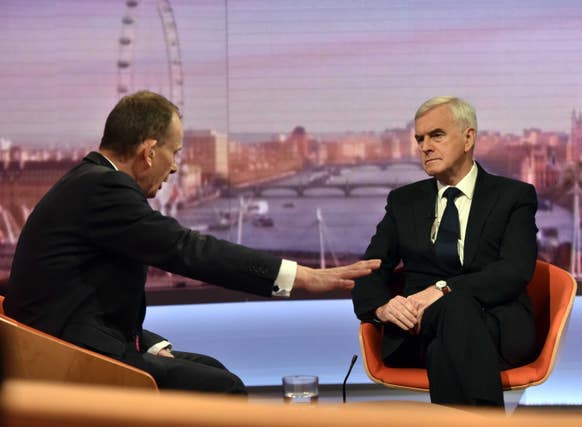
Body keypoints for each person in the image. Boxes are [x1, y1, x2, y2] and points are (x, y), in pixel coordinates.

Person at [4, 91, 380, 395]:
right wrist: (304, 278)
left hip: (71, 341)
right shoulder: (104, 187)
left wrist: (147, 342)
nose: (173, 167)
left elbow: (83, 294)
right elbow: (186, 249)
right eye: (174, 153)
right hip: (67, 359)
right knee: (223, 388)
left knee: (211, 371)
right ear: (149, 151)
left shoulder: (89, 182)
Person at [352, 96, 538, 408]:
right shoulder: (403, 202)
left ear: (468, 138)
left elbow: (515, 270)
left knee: (449, 329)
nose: (424, 146)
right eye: (419, 139)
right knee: (449, 329)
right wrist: (383, 309)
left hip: (498, 327)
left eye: (436, 136)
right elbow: (369, 270)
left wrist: (443, 289)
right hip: (417, 330)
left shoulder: (513, 196)